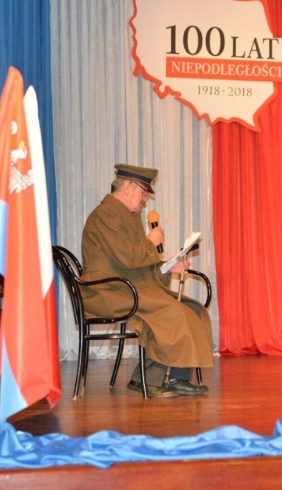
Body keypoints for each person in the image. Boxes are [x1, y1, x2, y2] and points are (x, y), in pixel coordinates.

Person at [80, 164, 213, 398]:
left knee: (191, 310)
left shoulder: (126, 215)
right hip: (106, 290)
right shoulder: (107, 214)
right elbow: (128, 258)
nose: (144, 200)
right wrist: (151, 241)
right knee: (173, 312)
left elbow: (134, 263)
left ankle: (174, 377)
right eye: (143, 193)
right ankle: (147, 380)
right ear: (128, 188)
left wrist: (168, 267)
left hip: (125, 286)